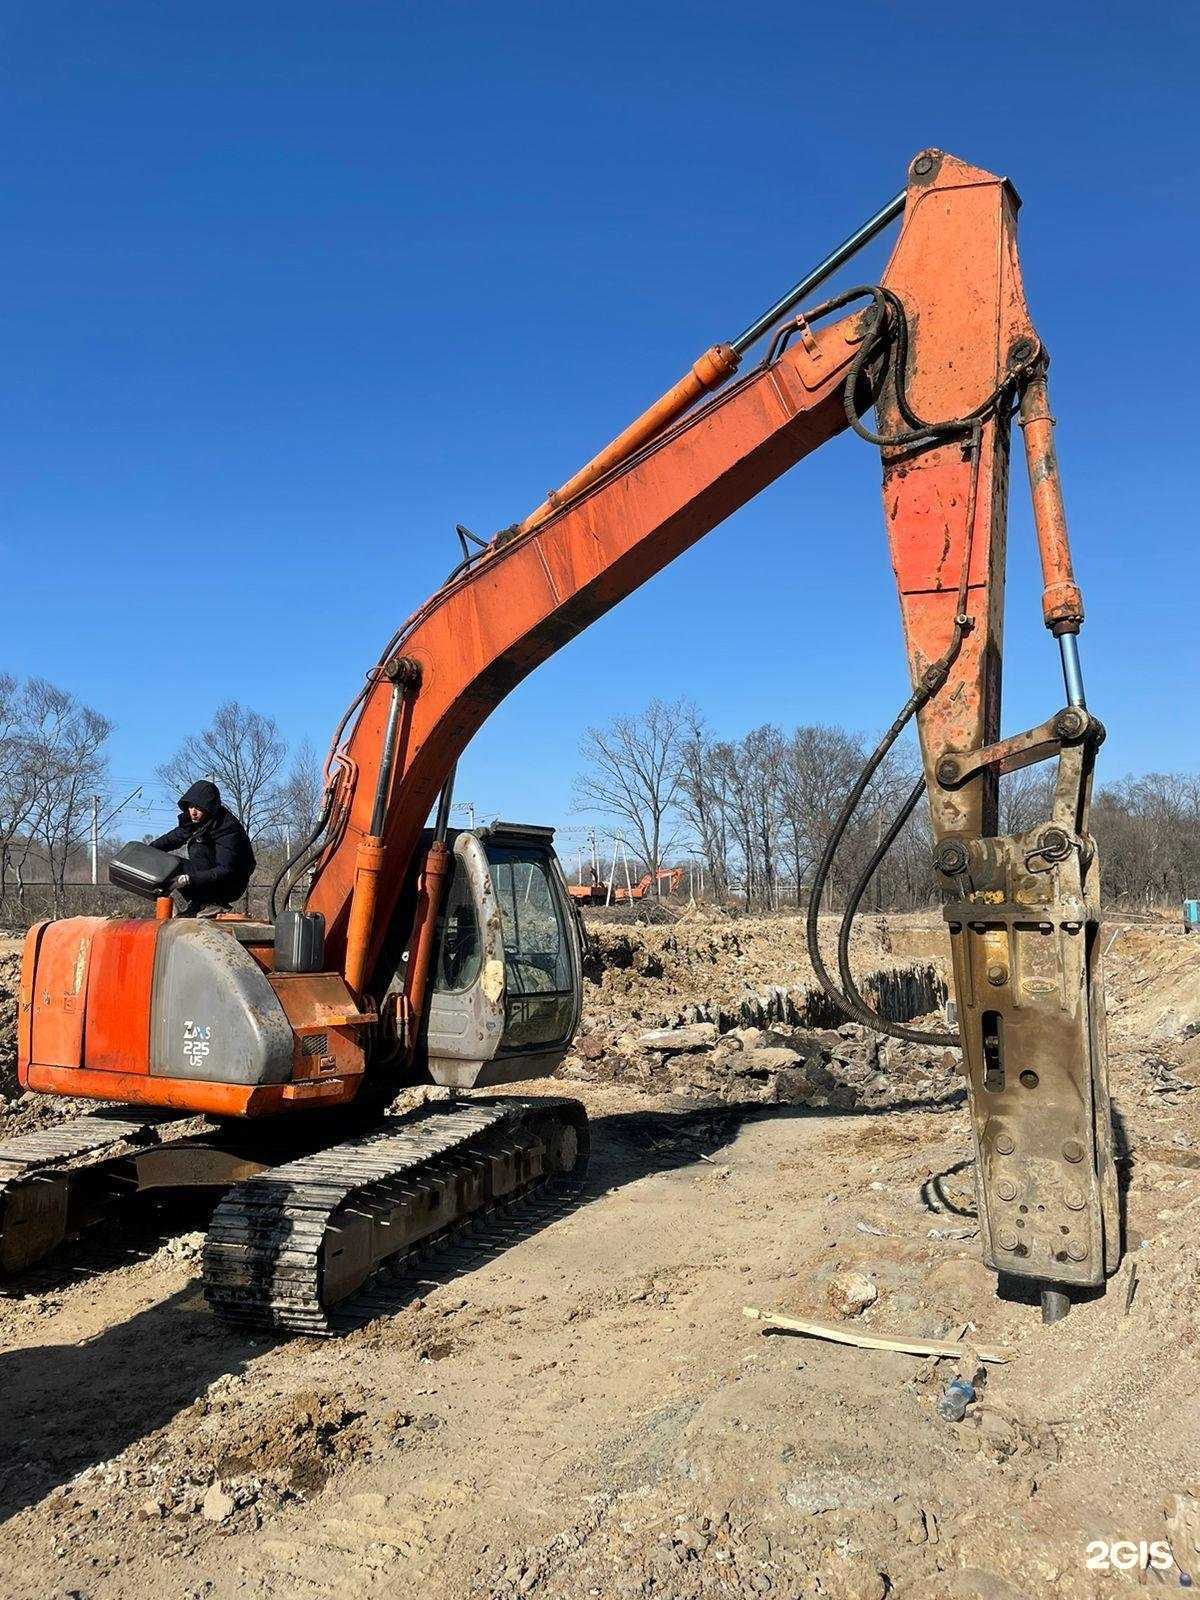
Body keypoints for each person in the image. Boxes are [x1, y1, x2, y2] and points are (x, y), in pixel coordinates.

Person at [151, 780, 256, 917]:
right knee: (174, 865)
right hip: (212, 877)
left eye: (198, 808)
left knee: (198, 848)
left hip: (231, 882)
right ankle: (199, 903)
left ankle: (212, 903)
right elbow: (173, 838)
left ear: (209, 808)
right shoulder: (197, 821)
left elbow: (225, 869)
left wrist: (189, 879)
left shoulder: (227, 827)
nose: (193, 812)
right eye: (190, 807)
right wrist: (147, 850)